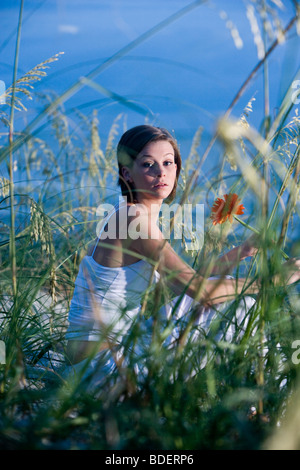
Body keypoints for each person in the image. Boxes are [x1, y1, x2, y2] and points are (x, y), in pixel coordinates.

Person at [63, 125, 300, 391]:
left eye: (168, 162)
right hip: (98, 369)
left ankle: (265, 396)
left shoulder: (131, 213)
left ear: (177, 168)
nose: (161, 172)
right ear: (127, 173)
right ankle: (271, 400)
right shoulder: (133, 219)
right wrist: (271, 281)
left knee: (224, 299)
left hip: (106, 356)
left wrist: (240, 253)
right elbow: (201, 290)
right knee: (240, 305)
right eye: (148, 164)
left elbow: (177, 286)